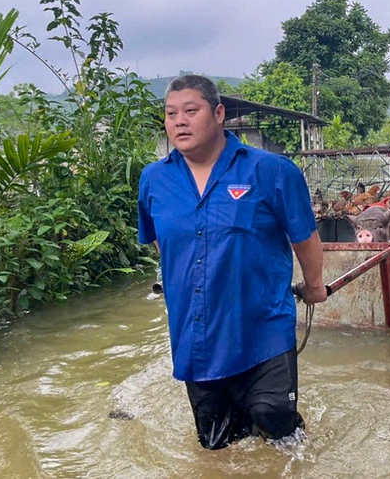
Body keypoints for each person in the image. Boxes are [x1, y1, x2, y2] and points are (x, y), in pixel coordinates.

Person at [137, 74, 327, 450]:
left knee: (276, 421)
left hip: (263, 328)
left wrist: (315, 286)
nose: (179, 121)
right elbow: (163, 241)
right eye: (171, 113)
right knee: (216, 444)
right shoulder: (154, 179)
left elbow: (304, 237)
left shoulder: (270, 171)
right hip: (197, 334)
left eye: (191, 111)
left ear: (219, 113)